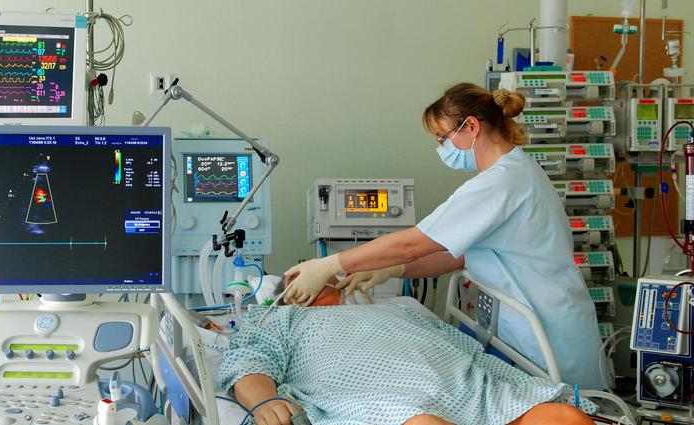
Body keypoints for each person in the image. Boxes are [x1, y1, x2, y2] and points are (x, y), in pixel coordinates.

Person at [283, 83, 605, 389]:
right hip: (529, 332)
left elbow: (411, 244)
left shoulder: (503, 182)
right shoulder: (513, 173)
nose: (441, 148)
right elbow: (461, 254)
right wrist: (394, 270)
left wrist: (327, 265)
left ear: (471, 127)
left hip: (549, 338)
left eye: (443, 138)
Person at [219, 276, 597, 425]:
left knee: (565, 418)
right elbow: (249, 362)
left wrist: (500, 379)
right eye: (301, 278)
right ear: (290, 292)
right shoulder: (283, 321)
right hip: (380, 398)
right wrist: (264, 402)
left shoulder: (396, 308)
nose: (329, 280)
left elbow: (460, 346)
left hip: (464, 389)